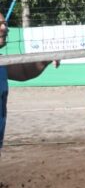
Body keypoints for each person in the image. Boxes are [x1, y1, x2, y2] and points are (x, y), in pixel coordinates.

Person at [0, 17, 58, 159]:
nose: (4, 28)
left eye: (5, 24)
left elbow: (24, 72)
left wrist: (45, 59)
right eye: (0, 25)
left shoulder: (2, 61)